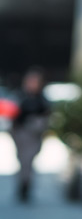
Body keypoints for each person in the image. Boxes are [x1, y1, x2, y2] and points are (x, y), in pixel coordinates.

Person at [9, 67, 50, 204]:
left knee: (28, 160)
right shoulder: (20, 96)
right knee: (23, 160)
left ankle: (26, 185)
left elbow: (47, 115)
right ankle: (23, 185)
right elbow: (13, 113)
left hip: (34, 133)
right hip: (21, 133)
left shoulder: (42, 99)